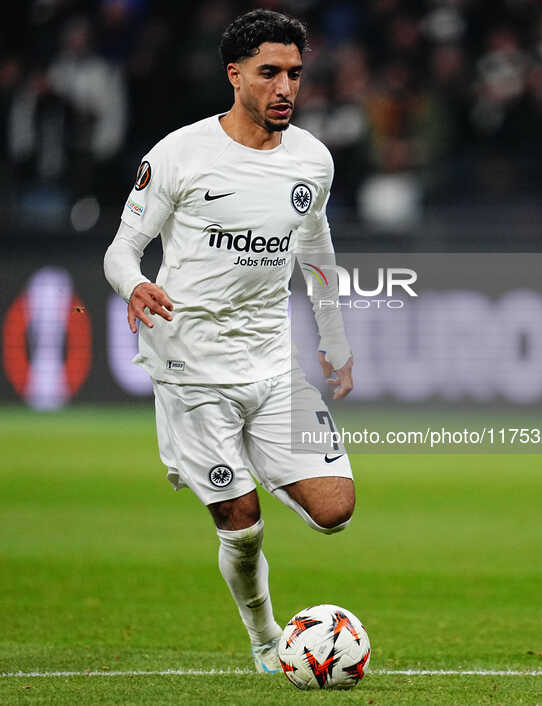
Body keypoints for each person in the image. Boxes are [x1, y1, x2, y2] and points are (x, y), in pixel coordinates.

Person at [104, 8, 354, 674]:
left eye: (295, 74)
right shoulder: (180, 154)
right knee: (241, 523)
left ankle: (234, 460)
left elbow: (317, 248)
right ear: (234, 74)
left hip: (272, 362)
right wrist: (132, 284)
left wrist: (334, 339)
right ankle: (267, 639)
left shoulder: (311, 159)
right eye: (269, 73)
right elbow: (123, 248)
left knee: (335, 511)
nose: (285, 89)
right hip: (189, 361)